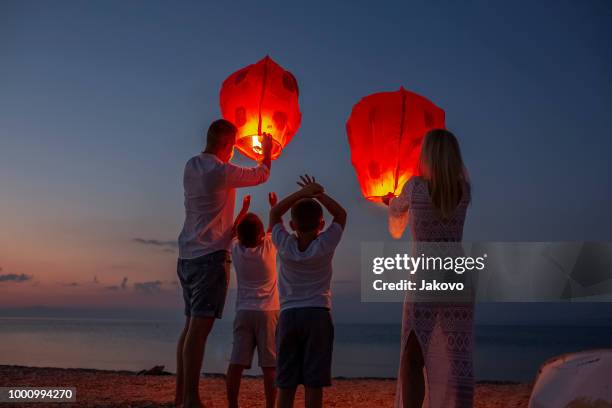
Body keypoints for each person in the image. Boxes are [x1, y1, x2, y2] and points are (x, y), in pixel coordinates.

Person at [175, 119, 273, 408]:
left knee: (189, 328)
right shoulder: (220, 171)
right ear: (229, 147)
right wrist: (265, 149)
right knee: (198, 331)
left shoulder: (191, 165)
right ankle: (191, 399)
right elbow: (262, 173)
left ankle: (181, 396)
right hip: (209, 258)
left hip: (187, 255)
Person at [384, 129, 473, 408]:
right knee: (456, 355)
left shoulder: (415, 187)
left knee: (412, 354)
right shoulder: (464, 191)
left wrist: (390, 201)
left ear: (429, 156)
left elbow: (397, 210)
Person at [269, 174, 347, 408]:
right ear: (321, 225)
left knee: (286, 382)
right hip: (318, 315)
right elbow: (341, 215)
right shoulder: (325, 244)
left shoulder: (284, 244)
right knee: (314, 382)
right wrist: (319, 194)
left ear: (292, 225)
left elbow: (274, 215)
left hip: (289, 315)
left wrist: (301, 194)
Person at [226, 192, 280, 408]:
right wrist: (274, 206)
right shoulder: (268, 247)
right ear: (260, 235)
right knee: (269, 366)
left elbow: (233, 232)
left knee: (236, 363)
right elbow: (275, 226)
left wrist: (243, 209)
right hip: (268, 313)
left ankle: (232, 405)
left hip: (244, 312)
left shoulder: (236, 250)